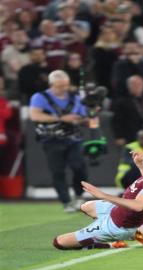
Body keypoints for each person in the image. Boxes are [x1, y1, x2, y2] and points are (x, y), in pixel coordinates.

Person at [52, 141, 143, 250]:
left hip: (119, 224)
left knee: (59, 242)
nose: (142, 155)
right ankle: (136, 230)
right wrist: (140, 166)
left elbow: (138, 205)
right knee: (86, 206)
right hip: (117, 211)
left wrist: (103, 195)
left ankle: (113, 243)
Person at [29, 70, 88, 212]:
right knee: (57, 171)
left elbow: (84, 116)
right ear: (51, 85)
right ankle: (66, 202)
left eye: (66, 85)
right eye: (59, 86)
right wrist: (61, 118)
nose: (64, 89)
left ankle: (79, 195)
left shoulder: (75, 97)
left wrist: (80, 118)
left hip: (73, 137)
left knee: (79, 166)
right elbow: (35, 116)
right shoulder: (40, 97)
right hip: (51, 139)